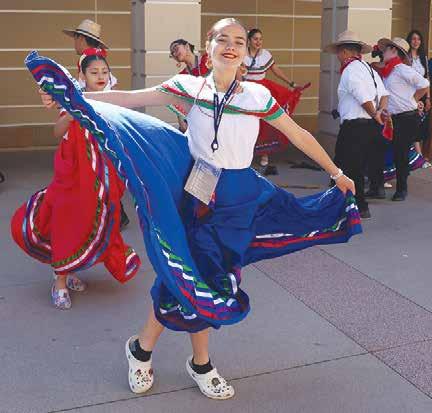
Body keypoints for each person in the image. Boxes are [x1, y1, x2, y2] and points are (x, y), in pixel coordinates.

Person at [38, 18, 360, 400]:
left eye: (239, 41)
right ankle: (196, 362)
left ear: (245, 52)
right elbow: (129, 99)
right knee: (199, 277)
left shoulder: (256, 97)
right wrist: (74, 99)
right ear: (208, 47)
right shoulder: (189, 88)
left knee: (201, 277)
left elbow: (299, 134)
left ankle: (143, 349)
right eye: (223, 39)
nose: (231, 46)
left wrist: (336, 172)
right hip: (201, 200)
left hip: (241, 203)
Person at [11, 49, 141, 310]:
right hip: (72, 180)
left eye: (104, 72)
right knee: (67, 223)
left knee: (88, 224)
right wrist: (71, 112)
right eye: (94, 72)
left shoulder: (111, 101)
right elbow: (57, 131)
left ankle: (70, 271)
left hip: (101, 180)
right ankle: (59, 281)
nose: (100, 76)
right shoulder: (72, 99)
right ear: (82, 75)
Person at [63, 19, 130, 227]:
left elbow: (83, 93)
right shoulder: (100, 57)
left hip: (94, 121)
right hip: (103, 119)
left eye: (75, 38)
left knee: (95, 168)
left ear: (81, 39)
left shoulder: (88, 59)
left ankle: (107, 215)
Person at [324, 31, 389, 219]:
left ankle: (360, 206)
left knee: (353, 168)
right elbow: (384, 95)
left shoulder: (351, 70)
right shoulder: (369, 69)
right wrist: (380, 112)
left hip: (356, 126)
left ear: (345, 52)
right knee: (341, 162)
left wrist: (375, 113)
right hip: (368, 126)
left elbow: (362, 97)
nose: (337, 56)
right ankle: (335, 199)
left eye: (339, 52)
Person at [244, 28, 308, 175]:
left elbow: (276, 70)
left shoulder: (265, 55)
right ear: (249, 40)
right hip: (247, 91)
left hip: (263, 91)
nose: (258, 42)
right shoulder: (242, 55)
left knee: (265, 122)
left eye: (260, 39)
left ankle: (264, 156)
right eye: (255, 39)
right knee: (247, 122)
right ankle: (245, 156)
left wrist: (291, 84)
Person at [377, 37, 429, 201]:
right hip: (392, 118)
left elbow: (424, 84)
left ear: (394, 51)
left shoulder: (401, 69)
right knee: (386, 150)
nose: (383, 53)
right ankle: (378, 185)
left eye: (386, 49)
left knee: (401, 154)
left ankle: (402, 189)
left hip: (406, 117)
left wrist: (413, 99)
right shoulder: (388, 71)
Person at [169, 39, 210, 132]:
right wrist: (181, 122)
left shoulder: (208, 59)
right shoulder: (181, 76)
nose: (174, 54)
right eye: (172, 53)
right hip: (195, 119)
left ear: (187, 46)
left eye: (176, 48)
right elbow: (178, 100)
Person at [407, 30, 432, 167]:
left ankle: (418, 157)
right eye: (413, 39)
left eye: (418, 39)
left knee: (421, 125)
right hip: (409, 95)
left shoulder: (423, 58)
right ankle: (419, 158)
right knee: (413, 125)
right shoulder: (406, 57)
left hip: (421, 94)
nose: (416, 41)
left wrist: (428, 97)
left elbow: (427, 78)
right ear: (409, 41)